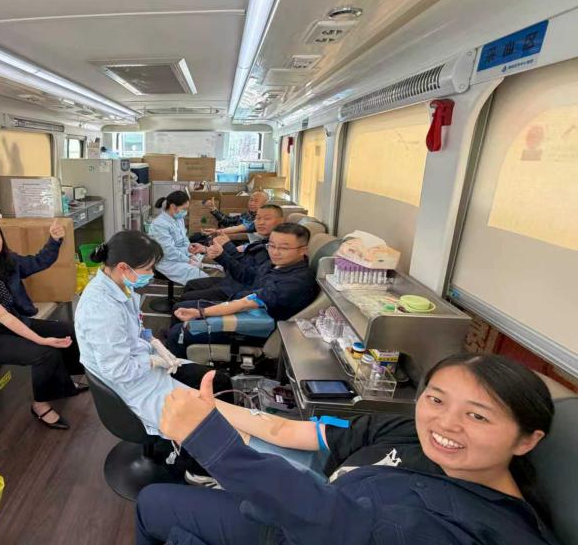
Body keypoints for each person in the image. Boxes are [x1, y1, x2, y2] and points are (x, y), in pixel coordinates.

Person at [136, 354, 558, 545]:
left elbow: (349, 527)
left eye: (478, 416)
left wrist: (213, 443)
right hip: (295, 507)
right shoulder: (405, 430)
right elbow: (287, 430)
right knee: (156, 501)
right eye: (436, 399)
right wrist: (212, 412)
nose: (446, 424)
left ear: (527, 440)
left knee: (157, 507)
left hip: (301, 522)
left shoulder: (484, 528)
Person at [74, 230, 232, 438]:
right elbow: (119, 371)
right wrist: (153, 361)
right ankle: (202, 451)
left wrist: (154, 342)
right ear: (123, 267)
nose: (151, 273)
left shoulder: (120, 286)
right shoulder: (102, 310)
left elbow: (135, 328)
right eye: (148, 268)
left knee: (219, 381)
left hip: (139, 364)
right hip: (131, 385)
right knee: (203, 425)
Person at [0, 215, 85, 430]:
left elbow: (38, 261)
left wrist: (54, 240)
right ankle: (40, 405)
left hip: (5, 325)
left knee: (68, 330)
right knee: (44, 351)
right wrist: (41, 339)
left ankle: (65, 381)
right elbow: (3, 316)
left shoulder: (4, 261)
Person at [165, 223, 317, 358]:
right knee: (180, 308)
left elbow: (247, 303)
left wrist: (201, 313)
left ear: (303, 250)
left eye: (283, 248)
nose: (275, 252)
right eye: (271, 245)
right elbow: (247, 276)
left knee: (178, 332)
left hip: (255, 326)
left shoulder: (296, 281)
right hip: (243, 307)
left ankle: (180, 370)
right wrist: (221, 256)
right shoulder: (275, 264)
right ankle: (174, 347)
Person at [180, 204, 285, 303]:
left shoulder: (272, 249)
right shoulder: (259, 241)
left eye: (267, 219)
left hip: (238, 290)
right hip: (231, 280)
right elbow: (240, 261)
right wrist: (207, 249)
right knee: (191, 285)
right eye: (258, 218)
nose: (260, 222)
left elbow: (246, 276)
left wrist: (225, 250)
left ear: (281, 221)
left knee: (186, 298)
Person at [148, 191, 209, 285]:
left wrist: (190, 250)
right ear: (173, 207)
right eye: (184, 209)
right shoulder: (159, 224)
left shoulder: (179, 219)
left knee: (208, 264)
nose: (186, 212)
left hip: (180, 255)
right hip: (167, 262)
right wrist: (187, 259)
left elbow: (184, 238)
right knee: (201, 277)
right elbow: (168, 251)